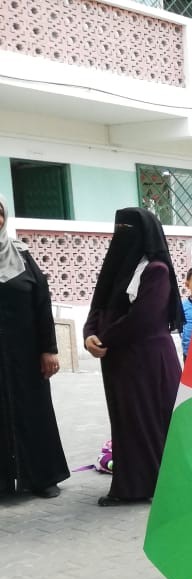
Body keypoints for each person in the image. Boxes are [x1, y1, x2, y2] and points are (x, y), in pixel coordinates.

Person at [83, 207, 183, 506]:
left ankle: (156, 485)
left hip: (147, 360)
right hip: (119, 359)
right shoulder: (117, 268)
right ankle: (131, 485)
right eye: (119, 228)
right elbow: (98, 304)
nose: (121, 235)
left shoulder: (155, 270)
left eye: (128, 229)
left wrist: (104, 338)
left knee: (147, 420)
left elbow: (144, 318)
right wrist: (89, 334)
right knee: (126, 422)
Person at [0, 194, 69, 498]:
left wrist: (48, 349)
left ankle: (42, 477)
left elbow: (42, 303)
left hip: (26, 354)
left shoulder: (22, 255)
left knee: (34, 411)